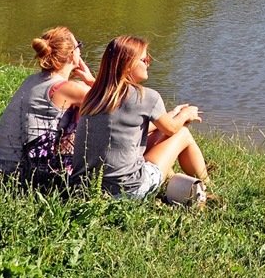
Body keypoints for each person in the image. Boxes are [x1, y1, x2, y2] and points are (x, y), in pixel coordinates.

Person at [72, 35, 208, 199]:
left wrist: (172, 115)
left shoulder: (93, 96)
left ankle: (179, 184)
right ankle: (206, 186)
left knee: (158, 134)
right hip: (127, 191)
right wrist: (186, 114)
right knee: (183, 134)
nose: (149, 63)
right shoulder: (147, 96)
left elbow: (134, 128)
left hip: (84, 188)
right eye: (144, 59)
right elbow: (172, 129)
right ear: (128, 65)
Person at [0, 26, 95, 179]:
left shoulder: (32, 80)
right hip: (24, 175)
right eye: (79, 45)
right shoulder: (66, 89)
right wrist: (91, 80)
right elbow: (118, 106)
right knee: (95, 113)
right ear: (72, 54)